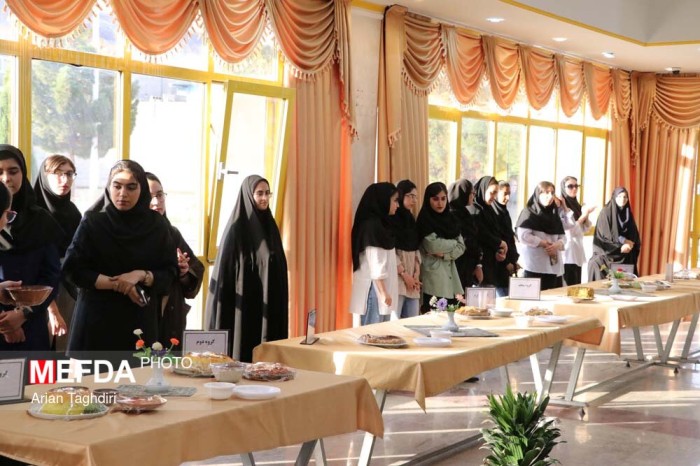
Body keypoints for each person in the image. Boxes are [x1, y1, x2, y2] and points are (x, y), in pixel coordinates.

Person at [63, 160, 177, 353]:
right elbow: (72, 270)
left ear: (142, 189)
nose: (123, 194)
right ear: (109, 187)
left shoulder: (157, 226)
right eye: (117, 186)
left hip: (139, 321)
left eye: (131, 187)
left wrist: (141, 275)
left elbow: (169, 272)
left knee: (138, 372)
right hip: (95, 320)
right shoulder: (93, 222)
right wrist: (120, 285)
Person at [206, 175, 288, 361]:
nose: (264, 198)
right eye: (259, 193)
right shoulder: (236, 231)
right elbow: (225, 275)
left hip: (268, 304)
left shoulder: (271, 227)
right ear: (249, 195)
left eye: (267, 193)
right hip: (242, 307)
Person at [0, 145, 61, 351]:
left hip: (32, 322)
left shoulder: (41, 220)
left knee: (34, 372)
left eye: (13, 171)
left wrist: (23, 314)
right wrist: (5, 323)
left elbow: (51, 275)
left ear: (23, 173)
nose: (6, 178)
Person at [146, 172, 204, 347]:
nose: (156, 202)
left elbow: (195, 271)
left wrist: (184, 272)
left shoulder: (172, 233)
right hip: (145, 317)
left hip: (172, 318)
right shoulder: (130, 235)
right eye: (149, 196)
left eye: (160, 195)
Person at [34, 154, 82, 350]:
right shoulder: (33, 213)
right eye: (58, 173)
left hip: (69, 288)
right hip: (37, 291)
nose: (65, 180)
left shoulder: (73, 212)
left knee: (64, 348)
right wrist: (51, 307)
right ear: (45, 176)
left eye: (69, 174)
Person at [349, 182, 399, 325]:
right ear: (382, 200)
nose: (397, 205)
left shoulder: (382, 224)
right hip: (375, 290)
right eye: (395, 200)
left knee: (381, 334)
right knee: (373, 334)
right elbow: (375, 263)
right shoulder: (372, 226)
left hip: (381, 290)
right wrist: (383, 293)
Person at [417, 182, 465, 312]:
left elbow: (462, 246)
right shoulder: (424, 220)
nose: (440, 203)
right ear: (428, 200)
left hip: (451, 279)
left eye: (443, 199)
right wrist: (453, 242)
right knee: (434, 318)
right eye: (435, 199)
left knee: (451, 318)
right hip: (433, 280)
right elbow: (433, 246)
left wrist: (445, 255)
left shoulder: (452, 220)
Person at [515, 181, 569, 290]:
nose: (550, 196)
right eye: (546, 192)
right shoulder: (528, 212)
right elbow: (523, 235)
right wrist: (542, 243)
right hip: (535, 265)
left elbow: (563, 236)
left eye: (552, 193)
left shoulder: (554, 213)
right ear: (538, 194)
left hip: (554, 266)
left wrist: (557, 245)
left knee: (554, 296)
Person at [389, 180, 422, 320]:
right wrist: (404, 274)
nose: (414, 200)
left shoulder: (411, 219)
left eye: (415, 197)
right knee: (395, 322)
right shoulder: (392, 219)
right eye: (410, 196)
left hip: (412, 280)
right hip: (398, 278)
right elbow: (390, 250)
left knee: (414, 321)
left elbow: (416, 247)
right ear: (401, 195)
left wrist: (416, 273)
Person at [469, 176, 508, 287]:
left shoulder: (489, 209)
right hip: (479, 265)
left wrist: (499, 250)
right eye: (492, 193)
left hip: (491, 263)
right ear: (483, 190)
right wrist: (500, 243)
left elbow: (495, 232)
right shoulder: (474, 209)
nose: (494, 197)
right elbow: (481, 234)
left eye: (496, 193)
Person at [592, 186, 640, 276]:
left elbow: (633, 233)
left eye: (625, 197)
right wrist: (621, 245)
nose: (623, 199)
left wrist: (630, 243)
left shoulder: (627, 213)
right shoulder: (606, 213)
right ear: (614, 197)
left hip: (625, 251)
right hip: (608, 252)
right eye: (619, 196)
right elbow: (606, 236)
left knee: (630, 257)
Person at [560, 177, 596, 285]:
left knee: (576, 284)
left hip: (577, 250)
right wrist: (584, 215)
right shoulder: (561, 206)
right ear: (563, 188)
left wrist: (586, 214)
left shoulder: (576, 205)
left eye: (576, 186)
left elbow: (585, 228)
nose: (574, 189)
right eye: (570, 186)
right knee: (568, 285)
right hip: (567, 251)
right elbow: (570, 230)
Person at [448, 179, 483, 289]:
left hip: (467, 264)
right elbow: (466, 240)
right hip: (457, 265)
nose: (473, 196)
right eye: (471, 193)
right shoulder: (452, 215)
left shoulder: (464, 213)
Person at [492, 180, 520, 296]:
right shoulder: (494, 212)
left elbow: (509, 238)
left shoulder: (504, 212)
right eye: (504, 194)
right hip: (498, 266)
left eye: (509, 194)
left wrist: (514, 260)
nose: (507, 198)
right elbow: (496, 239)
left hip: (508, 265)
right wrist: (506, 262)